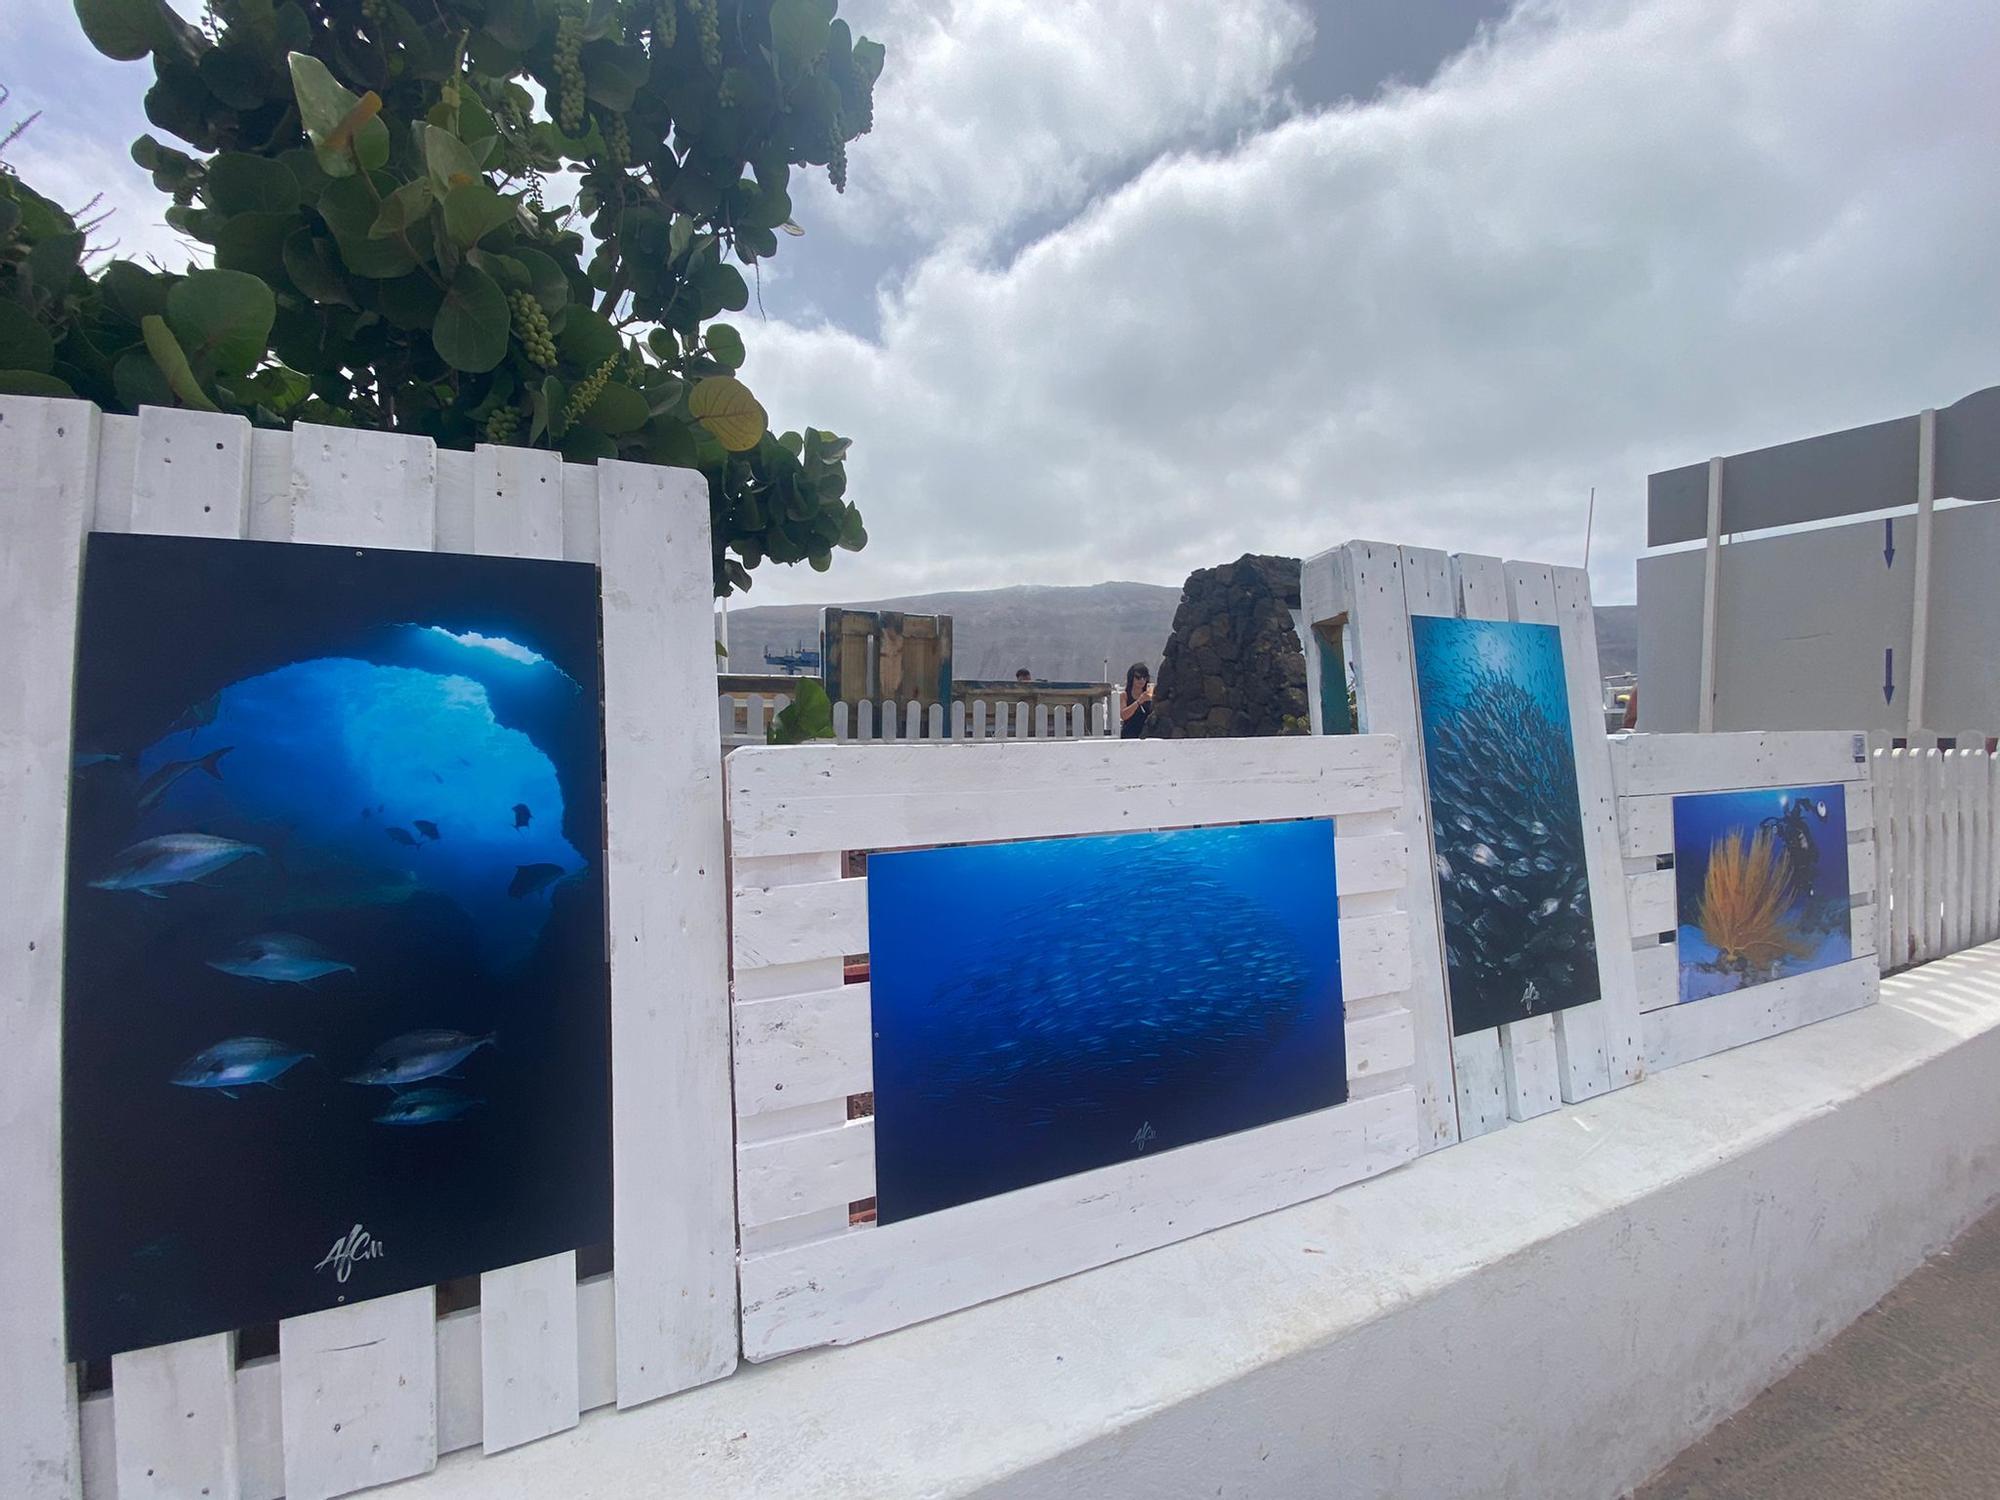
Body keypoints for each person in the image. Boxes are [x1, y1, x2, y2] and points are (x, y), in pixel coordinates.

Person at [1120, 662, 1154, 739]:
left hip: (1146, 735)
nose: (1141, 680)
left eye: (1144, 677)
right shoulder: (1125, 695)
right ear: (1132, 678)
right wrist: (1138, 702)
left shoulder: (1149, 694)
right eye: (1138, 677)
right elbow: (1124, 715)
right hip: (1129, 735)